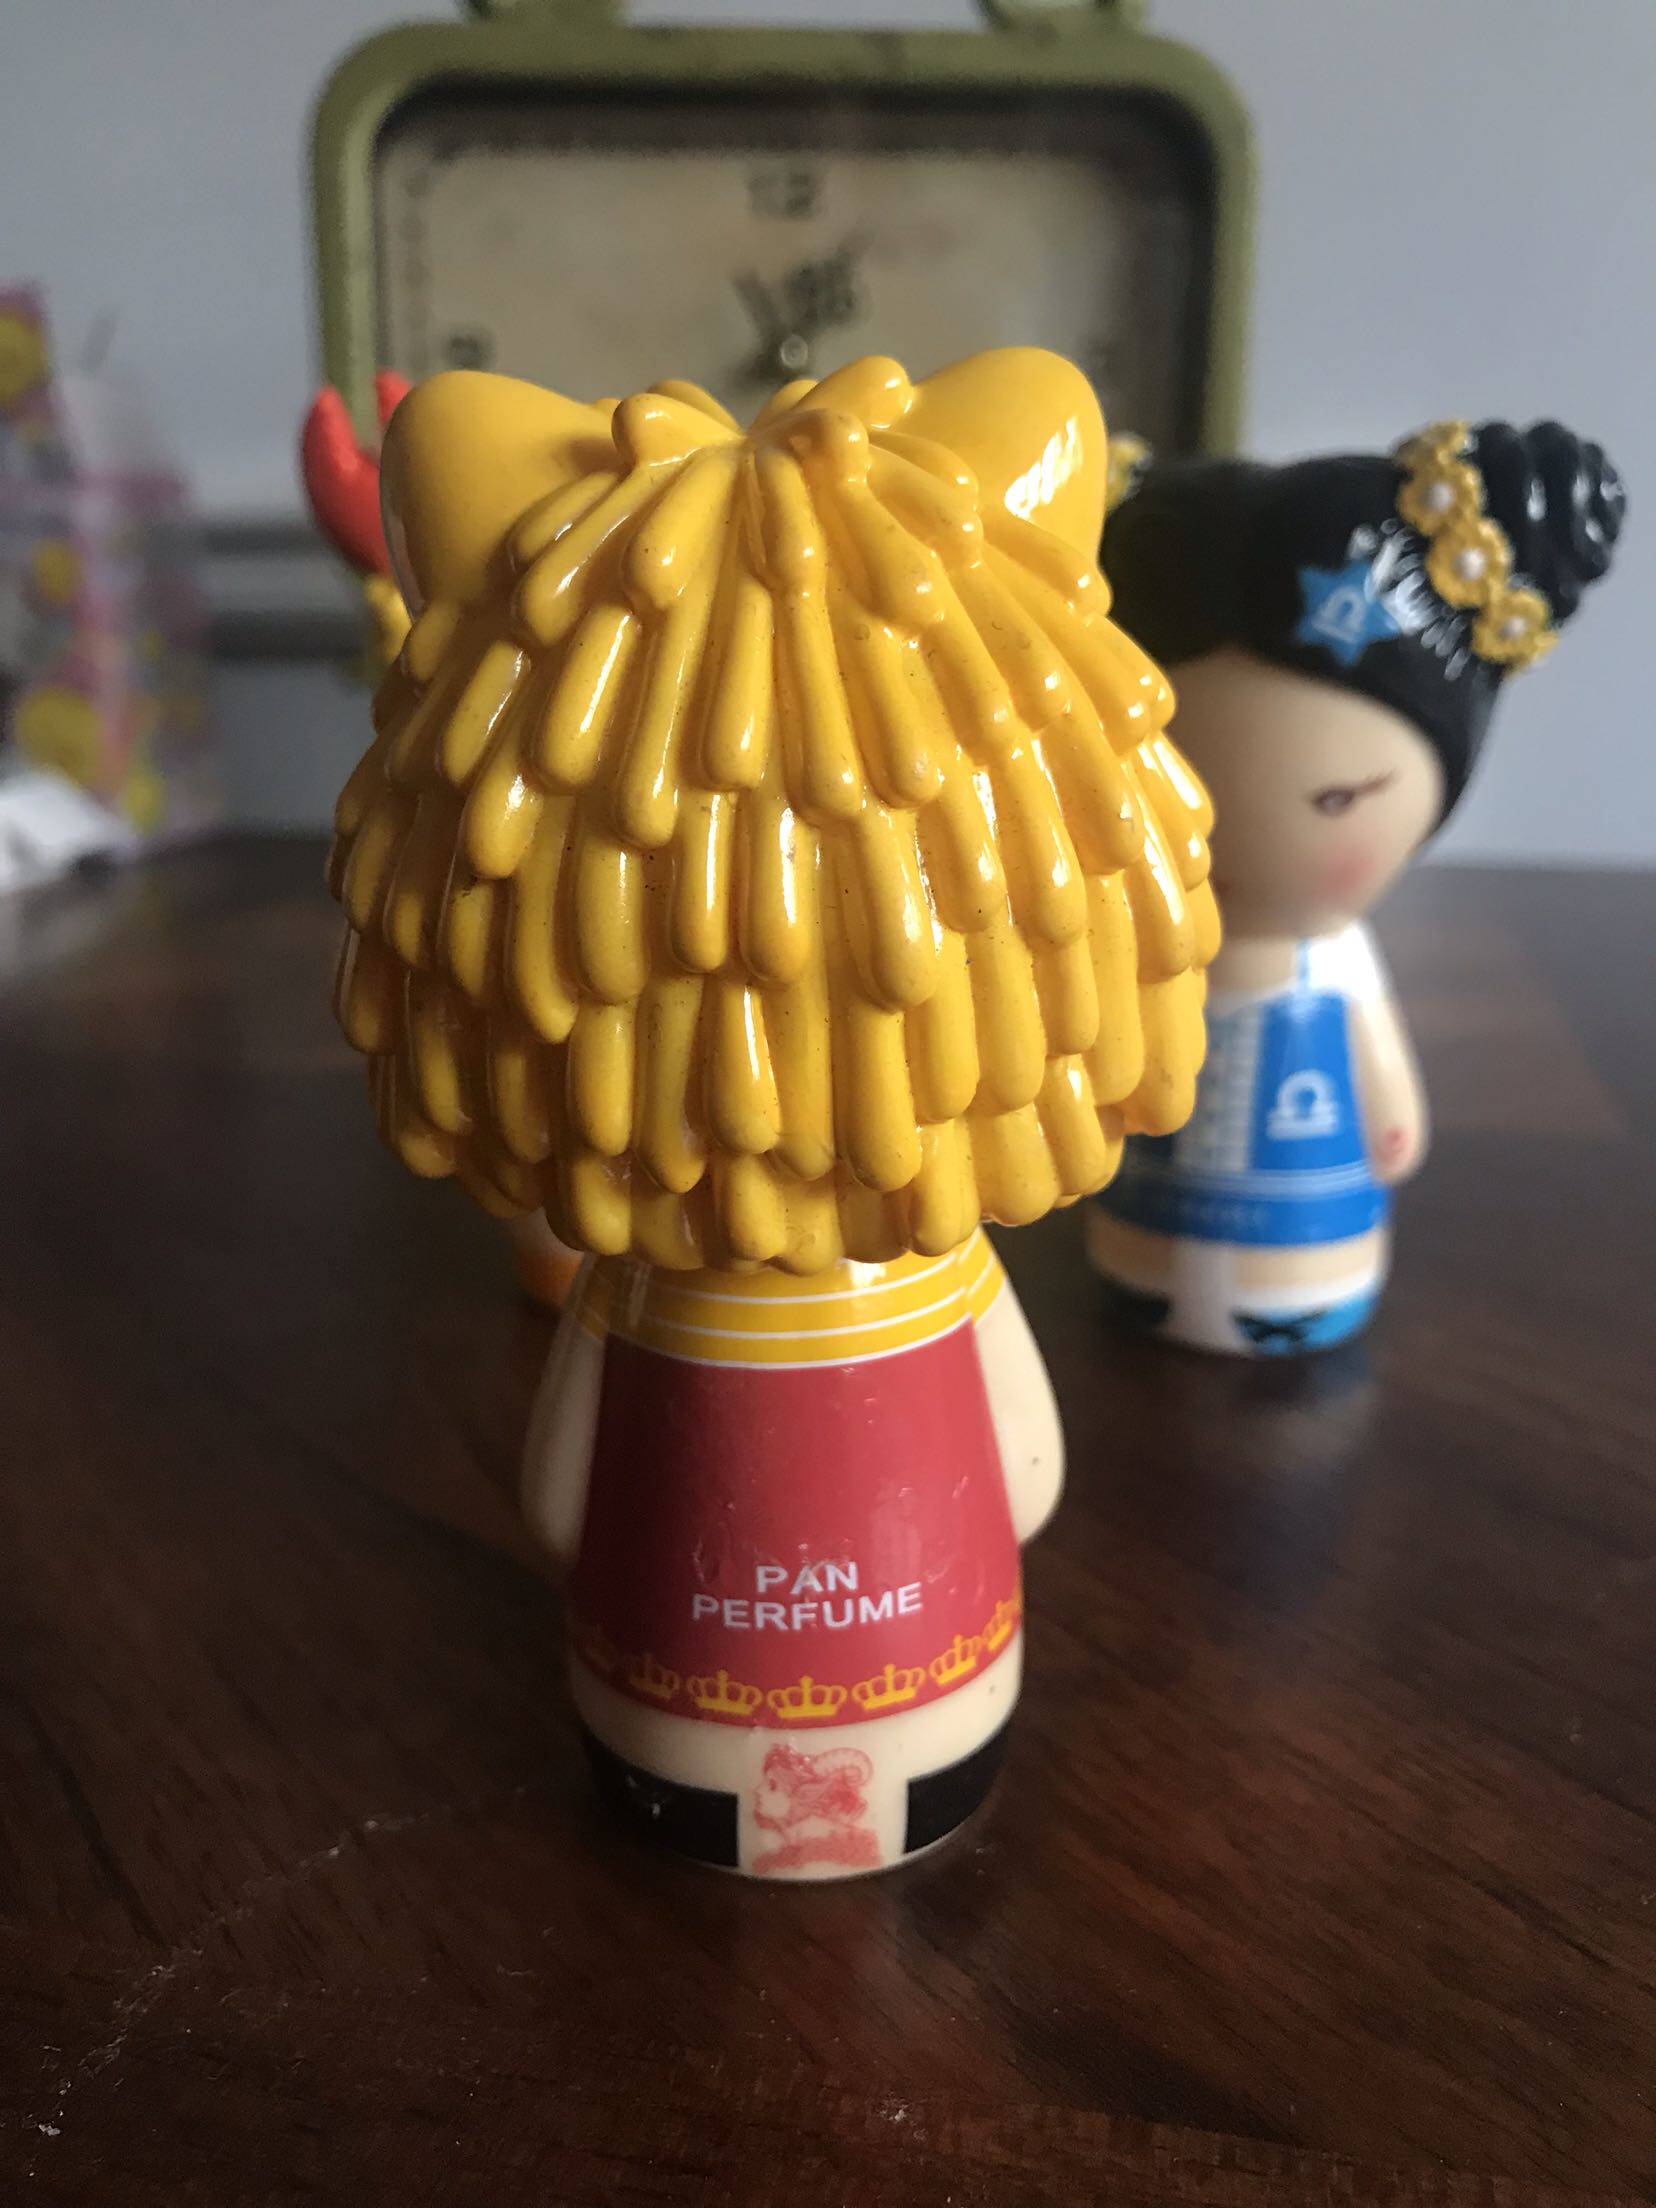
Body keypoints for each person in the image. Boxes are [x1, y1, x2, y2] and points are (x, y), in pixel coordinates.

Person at [325, 347, 1218, 1875]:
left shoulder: (673, 1282)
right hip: (839, 1658)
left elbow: (562, 1501)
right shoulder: (766, 1273)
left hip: (725, 1659)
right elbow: (1029, 1473)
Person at [1089, 418, 1625, 1353]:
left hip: (1311, 1226)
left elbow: (1377, 1061)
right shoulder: (1150, 949)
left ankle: (1284, 1295)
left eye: (1336, 801)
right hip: (1143, 1204)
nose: (1220, 840)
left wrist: (1390, 1113)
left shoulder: (1332, 958)